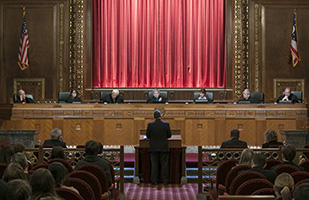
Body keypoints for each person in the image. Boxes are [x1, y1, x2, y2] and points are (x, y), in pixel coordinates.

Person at [146, 110, 172, 185]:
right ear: (160, 116)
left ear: (154, 116)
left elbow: (148, 136)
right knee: (164, 165)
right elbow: (169, 135)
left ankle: (154, 181)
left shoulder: (150, 125)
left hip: (153, 147)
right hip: (163, 147)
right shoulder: (166, 124)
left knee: (154, 165)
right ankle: (165, 181)